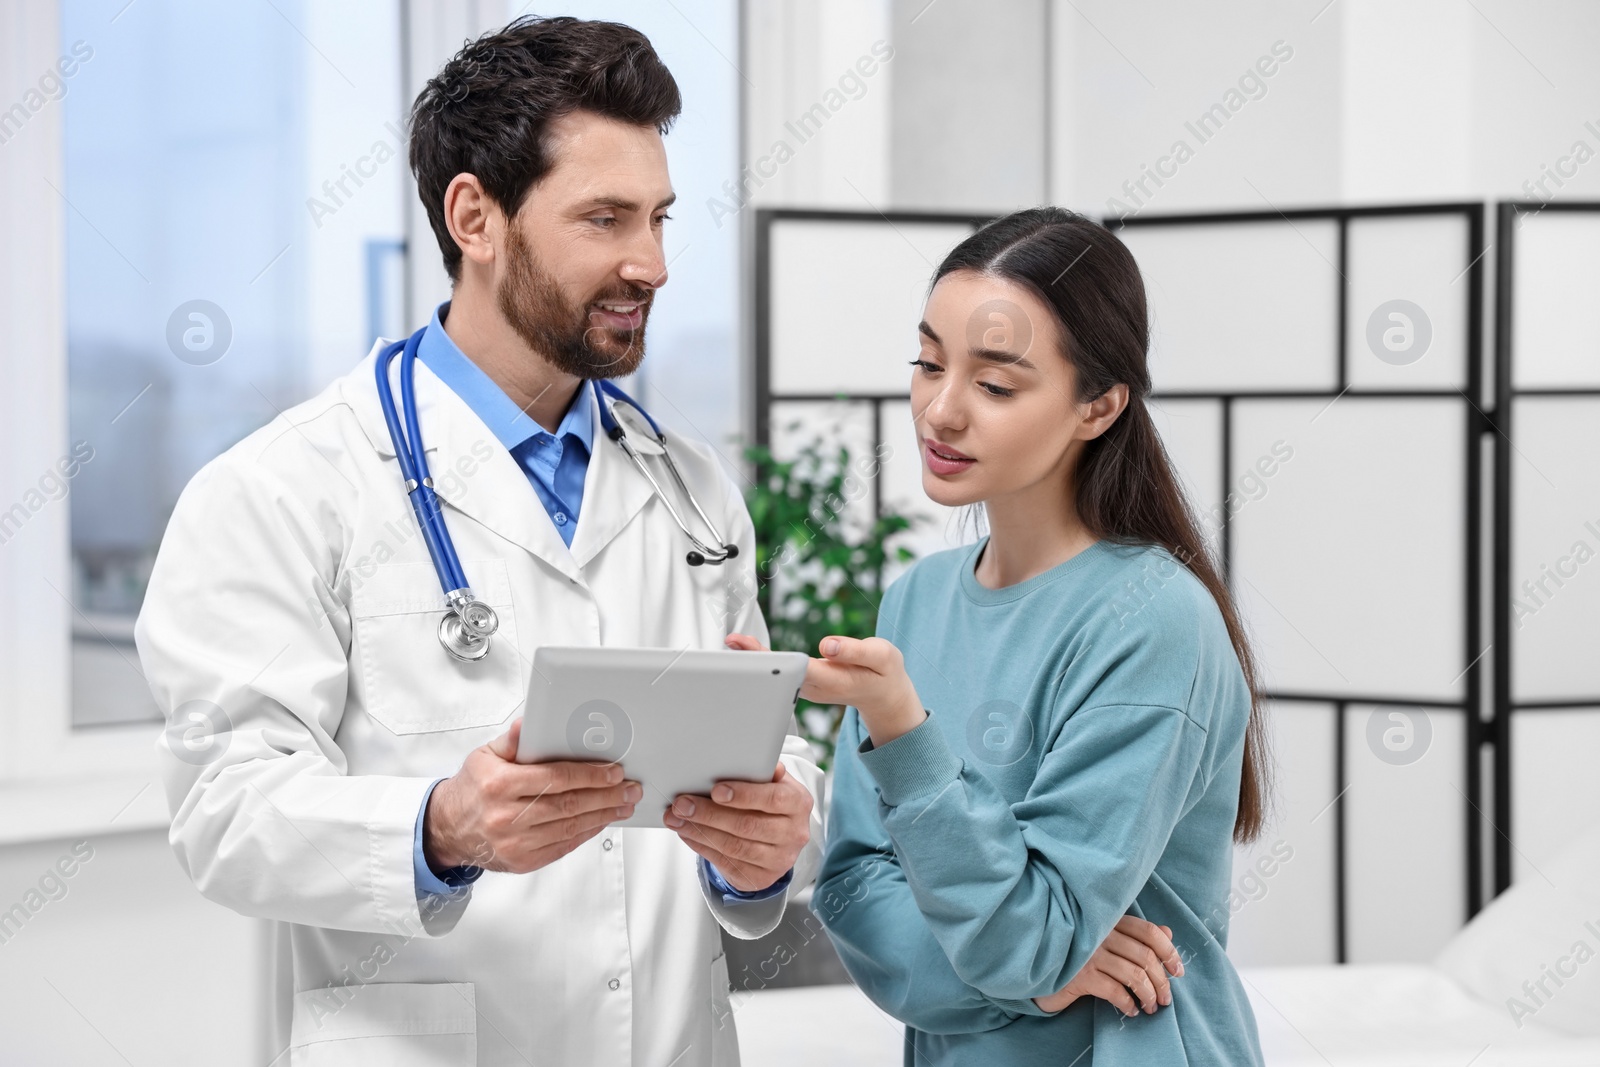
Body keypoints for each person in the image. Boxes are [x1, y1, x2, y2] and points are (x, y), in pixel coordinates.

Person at [136, 17, 821, 1066]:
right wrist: (443, 825)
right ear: (475, 216)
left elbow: (760, 751)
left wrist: (766, 844)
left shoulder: (688, 489)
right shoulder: (282, 487)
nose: (652, 262)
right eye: (604, 219)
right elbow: (224, 813)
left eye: (660, 218)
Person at [787, 206, 1271, 1064]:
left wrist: (905, 729)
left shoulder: (1154, 620)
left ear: (1099, 406)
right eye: (928, 363)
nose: (940, 411)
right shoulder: (916, 602)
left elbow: (1035, 935)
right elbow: (856, 890)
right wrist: (1030, 973)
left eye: (996, 384)